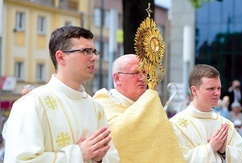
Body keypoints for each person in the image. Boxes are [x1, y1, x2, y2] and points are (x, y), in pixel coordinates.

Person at [4, 26, 119, 162]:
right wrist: (78, 154)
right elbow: (19, 160)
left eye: (94, 51)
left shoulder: (96, 108)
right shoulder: (32, 104)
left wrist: (99, 159)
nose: (94, 58)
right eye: (86, 51)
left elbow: (112, 157)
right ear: (61, 57)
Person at [93, 54, 184, 162]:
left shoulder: (151, 109)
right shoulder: (100, 105)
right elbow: (116, 134)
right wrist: (150, 98)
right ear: (117, 78)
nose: (142, 78)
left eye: (144, 72)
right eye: (136, 73)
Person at [170, 64, 242, 162]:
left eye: (219, 88)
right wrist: (210, 148)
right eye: (211, 89)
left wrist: (224, 151)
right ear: (194, 90)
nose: (217, 93)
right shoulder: (176, 125)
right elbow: (174, 159)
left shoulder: (225, 124)